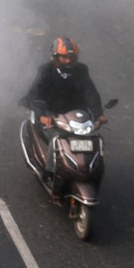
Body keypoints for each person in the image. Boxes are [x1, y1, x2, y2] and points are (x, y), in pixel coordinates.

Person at [21, 37, 106, 186]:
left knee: (91, 139)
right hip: (51, 114)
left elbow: (90, 93)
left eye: (71, 57)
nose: (68, 60)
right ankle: (49, 172)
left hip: (76, 115)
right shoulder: (45, 70)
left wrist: (99, 114)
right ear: (55, 56)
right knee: (56, 138)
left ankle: (91, 169)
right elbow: (35, 94)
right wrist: (42, 115)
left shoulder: (81, 70)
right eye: (64, 57)